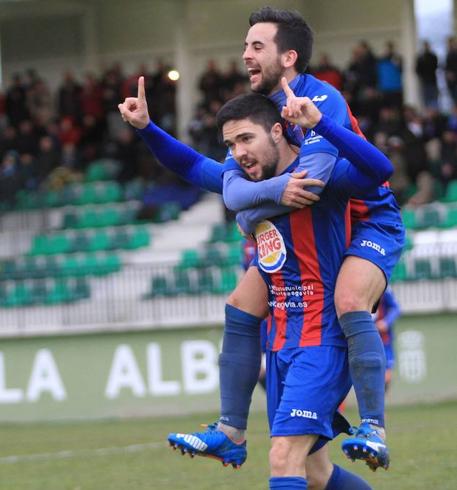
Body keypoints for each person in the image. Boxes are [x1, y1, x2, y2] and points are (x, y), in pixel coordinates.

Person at [121, 7, 405, 472]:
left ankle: (373, 426)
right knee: (241, 304)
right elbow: (218, 179)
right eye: (245, 46)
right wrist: (148, 130)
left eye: (257, 46)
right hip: (308, 232)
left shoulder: (321, 100)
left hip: (366, 220)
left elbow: (308, 187)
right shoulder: (257, 117)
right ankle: (231, 430)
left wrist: (249, 207)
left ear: (288, 56)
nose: (245, 55)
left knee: (351, 298)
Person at [374, 287, 401, 391]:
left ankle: (380, 401)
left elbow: (396, 308)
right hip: (364, 338)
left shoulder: (383, 288)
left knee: (386, 373)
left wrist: (386, 322)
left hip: (384, 339)